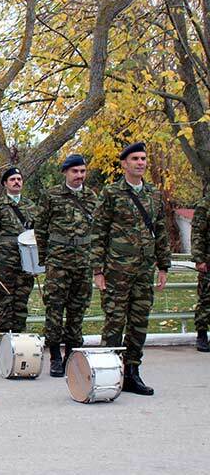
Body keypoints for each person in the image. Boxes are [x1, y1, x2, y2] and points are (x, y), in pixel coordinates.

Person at [91, 142, 171, 395]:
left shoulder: (154, 194)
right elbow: (98, 232)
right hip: (116, 270)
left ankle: (132, 373)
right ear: (124, 163)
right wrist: (97, 270)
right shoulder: (111, 193)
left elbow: (161, 232)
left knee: (139, 322)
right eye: (135, 158)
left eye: (143, 158)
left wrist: (163, 265)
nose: (140, 163)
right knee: (114, 322)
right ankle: (109, 373)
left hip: (144, 270)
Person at [35, 155, 98, 376]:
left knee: (77, 309)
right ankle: (55, 355)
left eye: (82, 171)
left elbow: (97, 231)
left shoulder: (91, 197)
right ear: (65, 172)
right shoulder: (52, 195)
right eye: (75, 171)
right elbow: (40, 229)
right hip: (58, 262)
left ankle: (72, 354)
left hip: (83, 262)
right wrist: (45, 258)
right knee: (54, 308)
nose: (79, 175)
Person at [0, 167, 38, 334]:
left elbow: (36, 235)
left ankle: (19, 339)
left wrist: (37, 263)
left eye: (19, 179)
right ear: (5, 184)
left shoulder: (30, 206)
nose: (16, 182)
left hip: (26, 261)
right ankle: (5, 339)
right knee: (6, 301)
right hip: (5, 262)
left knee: (22, 300)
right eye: (12, 179)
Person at [191, 193, 210, 352]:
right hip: (208, 261)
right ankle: (202, 335)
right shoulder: (205, 205)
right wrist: (199, 259)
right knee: (206, 299)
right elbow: (197, 233)